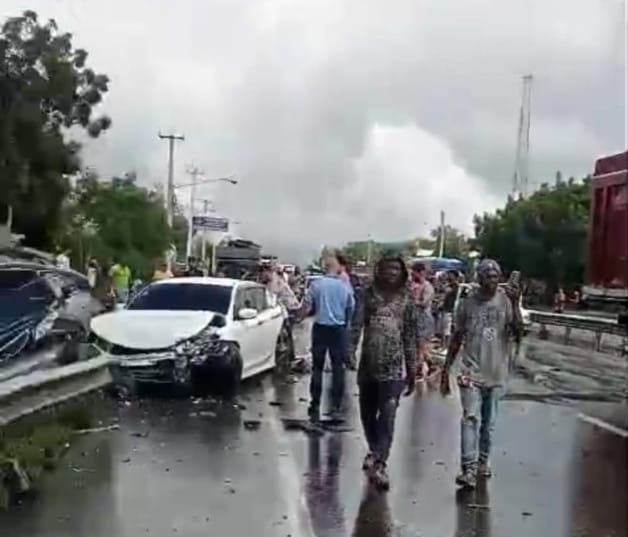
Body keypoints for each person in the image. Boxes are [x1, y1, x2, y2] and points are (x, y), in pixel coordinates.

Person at [440, 258, 521, 489]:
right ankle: (469, 468)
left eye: (495, 276)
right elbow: (456, 338)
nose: (491, 280)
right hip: (470, 371)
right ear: (478, 278)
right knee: (470, 418)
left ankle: (483, 461)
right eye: (487, 275)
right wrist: (446, 370)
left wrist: (515, 304)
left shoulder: (507, 301)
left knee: (489, 423)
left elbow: (518, 333)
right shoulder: (466, 304)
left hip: (496, 372)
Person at [358, 253, 416, 490]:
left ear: (402, 273)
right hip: (368, 366)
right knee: (368, 414)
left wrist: (412, 370)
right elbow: (356, 323)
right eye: (388, 268)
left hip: (393, 370)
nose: (392, 273)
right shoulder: (369, 295)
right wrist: (349, 351)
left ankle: (380, 463)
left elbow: (410, 336)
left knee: (389, 414)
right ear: (379, 271)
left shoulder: (407, 300)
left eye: (396, 269)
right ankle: (374, 449)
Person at [300, 252, 355, 423]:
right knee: (338, 368)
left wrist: (302, 315)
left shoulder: (316, 285)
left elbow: (308, 307)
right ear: (337, 268)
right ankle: (336, 405)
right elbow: (350, 307)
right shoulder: (345, 286)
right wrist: (346, 324)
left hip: (320, 328)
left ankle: (315, 403)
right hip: (338, 330)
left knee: (317, 367)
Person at [410, 262, 435, 380]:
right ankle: (432, 365)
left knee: (420, 346)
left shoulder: (427, 286)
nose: (412, 274)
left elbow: (424, 303)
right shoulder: (414, 285)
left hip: (424, 320)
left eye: (413, 272)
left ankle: (418, 371)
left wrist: (412, 301)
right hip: (415, 319)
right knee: (420, 347)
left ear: (420, 272)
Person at [441, 270, 459, 349]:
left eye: (450, 275)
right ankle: (444, 345)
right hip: (446, 308)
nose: (448, 276)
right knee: (444, 328)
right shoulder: (450, 285)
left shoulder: (455, 286)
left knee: (447, 329)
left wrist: (445, 285)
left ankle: (446, 346)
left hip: (450, 309)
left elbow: (447, 291)